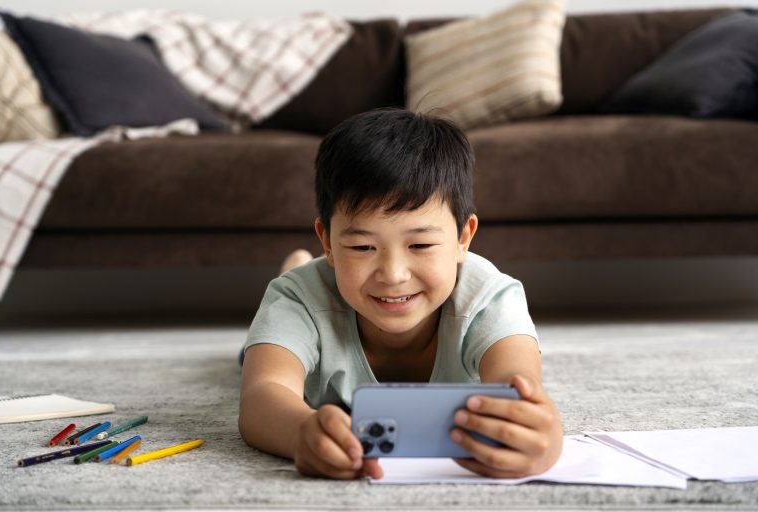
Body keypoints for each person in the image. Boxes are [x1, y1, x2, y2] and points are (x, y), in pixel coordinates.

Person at [239, 108, 562, 480]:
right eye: (362, 247)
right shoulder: (297, 299)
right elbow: (262, 395)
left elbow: (520, 388)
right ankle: (296, 265)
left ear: (463, 239)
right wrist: (301, 433)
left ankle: (307, 260)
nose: (393, 276)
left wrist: (543, 437)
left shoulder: (491, 298)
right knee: (253, 351)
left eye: (421, 245)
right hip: (308, 316)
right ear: (327, 240)